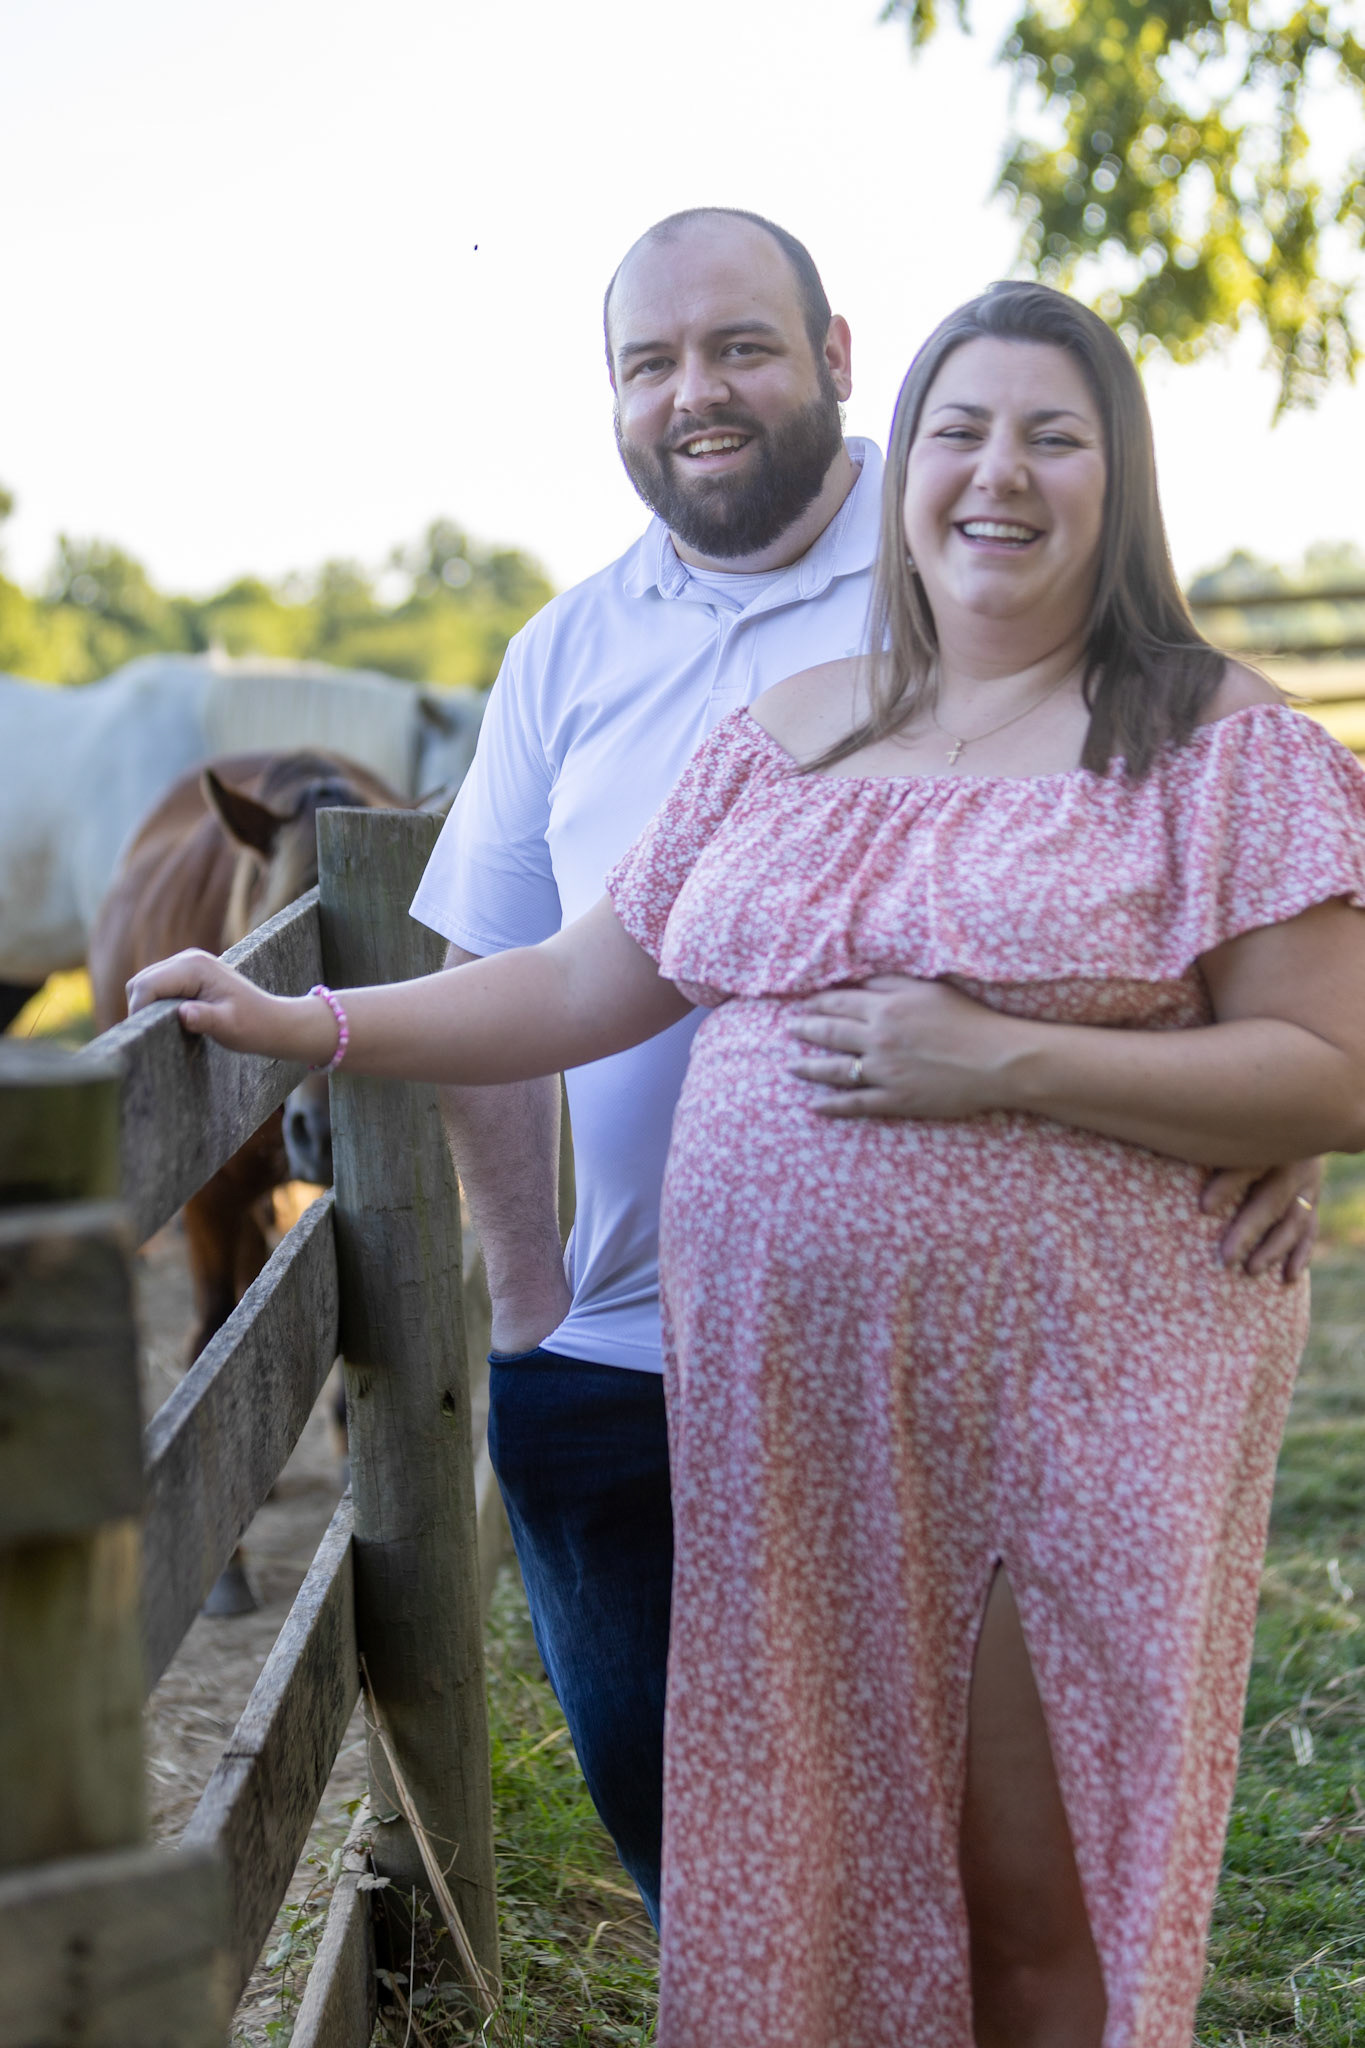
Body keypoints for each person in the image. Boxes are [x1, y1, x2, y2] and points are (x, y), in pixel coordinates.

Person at [131, 279, 1365, 2047]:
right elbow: (576, 982)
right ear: (905, 465)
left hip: (1077, 1398)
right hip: (792, 1406)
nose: (996, 473)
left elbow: (1332, 1068)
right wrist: (306, 1024)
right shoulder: (793, 732)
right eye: (959, 431)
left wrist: (1002, 1059)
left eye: (1052, 435)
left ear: (1120, 479)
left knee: (1031, 1878)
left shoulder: (1212, 743)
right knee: (829, 1854)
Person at [406, 207, 1320, 1925]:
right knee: (705, 1852)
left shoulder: (975, 531)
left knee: (968, 1866)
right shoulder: (567, 650)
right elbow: (502, 966)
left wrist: (1289, 1105)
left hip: (952, 1365)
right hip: (620, 1351)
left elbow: (1198, 872)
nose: (696, 392)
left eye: (741, 347)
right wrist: (528, 1306)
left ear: (835, 361)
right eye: (650, 363)